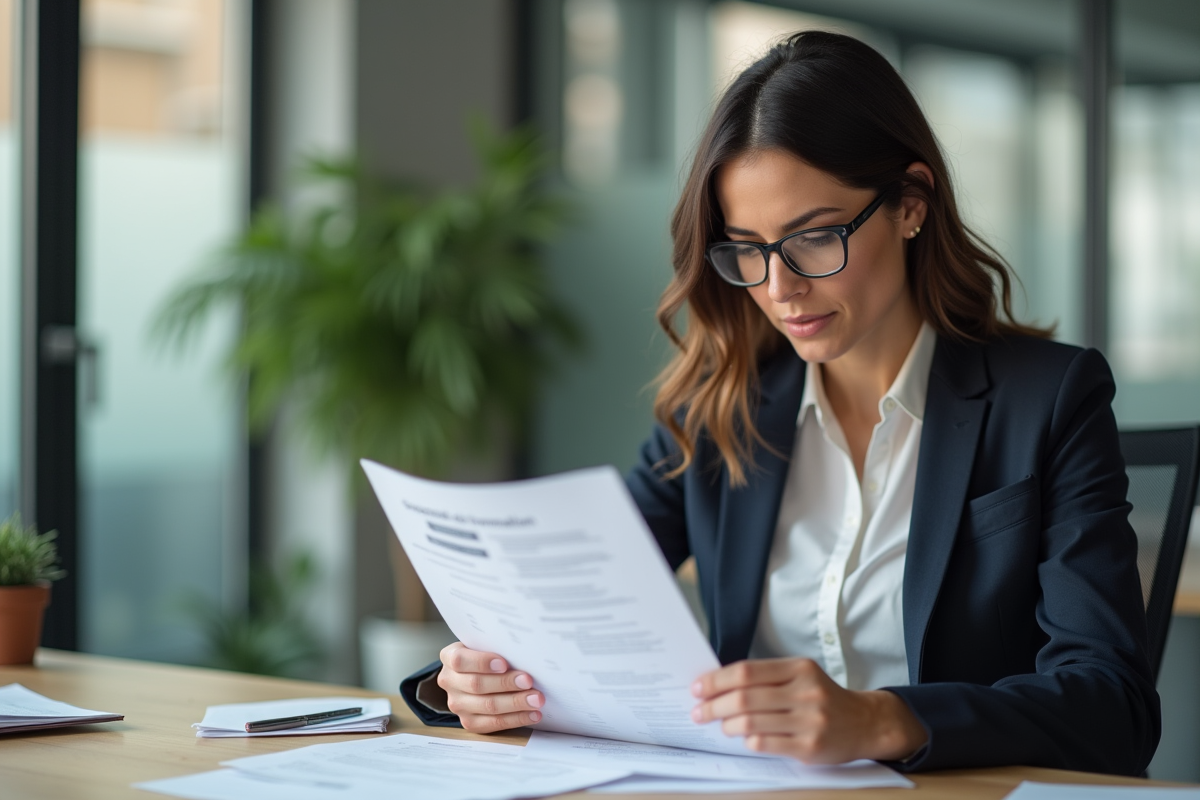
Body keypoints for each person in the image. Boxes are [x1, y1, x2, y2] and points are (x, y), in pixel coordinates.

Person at [400, 31, 1160, 775]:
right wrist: (471, 680)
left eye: (815, 237)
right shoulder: (720, 408)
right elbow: (565, 608)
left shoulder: (1048, 400)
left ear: (911, 203)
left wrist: (882, 718)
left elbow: (1112, 707)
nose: (779, 287)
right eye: (747, 249)